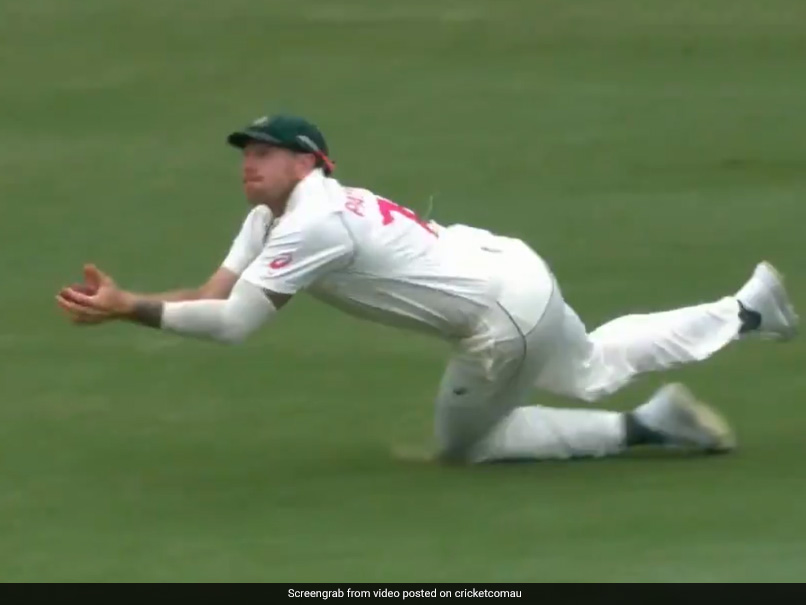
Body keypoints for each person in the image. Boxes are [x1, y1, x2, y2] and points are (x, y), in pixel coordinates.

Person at [56, 113, 799, 464]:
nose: (251, 161)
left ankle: (645, 427)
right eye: (247, 151)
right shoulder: (271, 219)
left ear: (310, 164)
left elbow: (233, 324)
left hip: (499, 318)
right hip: (514, 271)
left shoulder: (314, 223)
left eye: (268, 152)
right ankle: (744, 309)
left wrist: (130, 312)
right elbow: (212, 293)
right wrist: (128, 303)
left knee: (467, 447)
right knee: (593, 365)